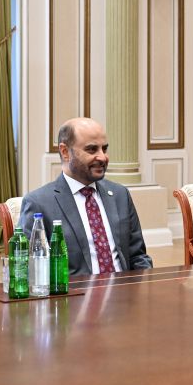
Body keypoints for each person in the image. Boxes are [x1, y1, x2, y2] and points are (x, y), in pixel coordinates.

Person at [20, 117, 152, 276]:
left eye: (104, 149)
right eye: (92, 149)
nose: (102, 157)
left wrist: (145, 286)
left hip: (125, 288)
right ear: (65, 152)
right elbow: (29, 269)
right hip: (75, 291)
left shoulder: (120, 195)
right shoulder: (39, 203)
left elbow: (138, 256)